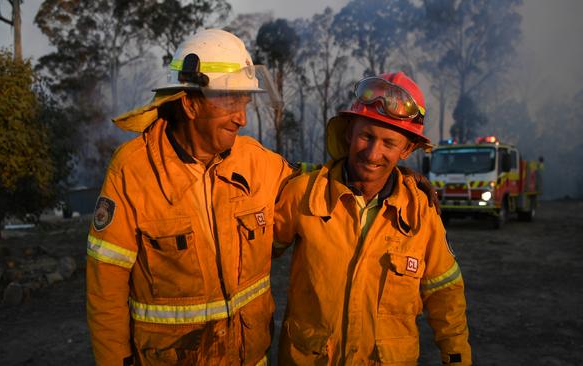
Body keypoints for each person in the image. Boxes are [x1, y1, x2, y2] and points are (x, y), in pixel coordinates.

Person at [86, 29, 294, 365]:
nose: (242, 117)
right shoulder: (133, 171)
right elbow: (105, 291)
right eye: (230, 100)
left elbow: (313, 190)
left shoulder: (259, 163)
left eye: (244, 101)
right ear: (190, 103)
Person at [273, 72, 472, 365]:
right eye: (366, 136)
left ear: (407, 149)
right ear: (349, 133)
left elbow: (446, 295)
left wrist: (457, 359)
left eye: (389, 143)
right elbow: (251, 257)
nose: (372, 153)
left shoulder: (421, 215)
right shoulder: (304, 194)